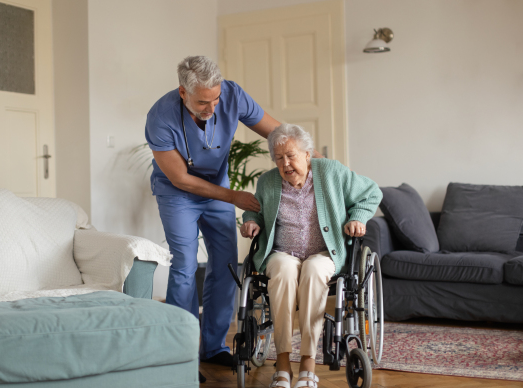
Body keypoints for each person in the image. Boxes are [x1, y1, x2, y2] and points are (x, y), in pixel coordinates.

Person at [145, 56, 307, 382]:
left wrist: (310, 157)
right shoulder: (160, 117)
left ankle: (214, 346)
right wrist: (234, 197)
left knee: (225, 264)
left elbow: (276, 132)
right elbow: (180, 178)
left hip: (217, 188)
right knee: (184, 266)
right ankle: (183, 353)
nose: (212, 106)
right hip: (178, 194)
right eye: (203, 101)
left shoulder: (232, 95)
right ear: (183, 92)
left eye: (215, 98)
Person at [240, 124, 382, 388]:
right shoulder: (268, 182)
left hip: (324, 253)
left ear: (308, 154)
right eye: (279, 158)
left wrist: (358, 218)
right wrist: (250, 222)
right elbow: (255, 211)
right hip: (283, 253)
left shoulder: (331, 171)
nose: (286, 163)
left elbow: (371, 193)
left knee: (314, 270)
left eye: (291, 155)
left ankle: (307, 363)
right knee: (282, 269)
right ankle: (282, 364)